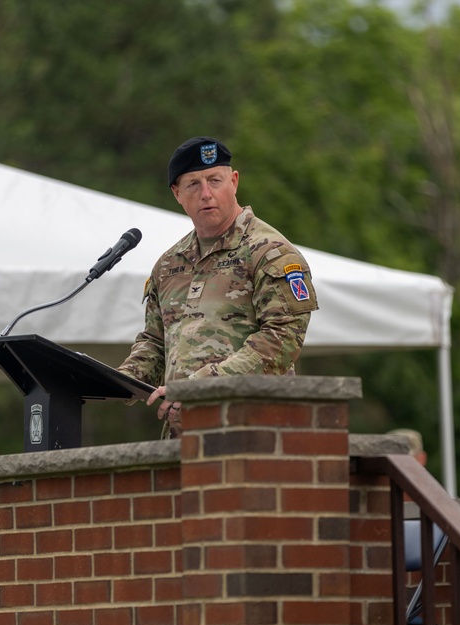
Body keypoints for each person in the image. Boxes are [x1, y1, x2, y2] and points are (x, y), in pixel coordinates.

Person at [117, 136, 318, 435]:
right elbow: (156, 341)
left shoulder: (269, 251)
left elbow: (282, 339)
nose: (206, 193)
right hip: (182, 432)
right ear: (177, 193)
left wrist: (201, 386)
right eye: (193, 185)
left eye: (215, 180)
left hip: (254, 428)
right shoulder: (169, 264)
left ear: (234, 182)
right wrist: (116, 380)